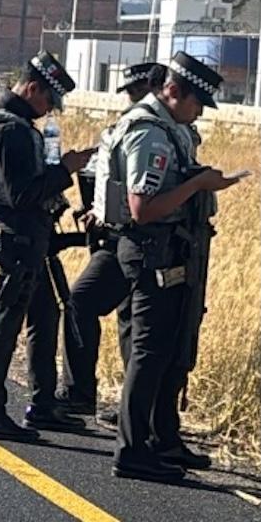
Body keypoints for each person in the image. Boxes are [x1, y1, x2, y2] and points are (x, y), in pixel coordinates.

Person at [102, 52, 242, 482]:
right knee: (148, 351)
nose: (199, 112)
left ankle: (162, 439)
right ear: (173, 92)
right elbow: (142, 208)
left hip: (168, 250)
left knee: (166, 347)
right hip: (149, 250)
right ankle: (132, 450)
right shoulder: (149, 133)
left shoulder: (171, 127)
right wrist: (199, 184)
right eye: (196, 103)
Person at [0, 51, 95, 442]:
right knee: (5, 325)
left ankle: (42, 404)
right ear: (33, 88)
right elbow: (21, 195)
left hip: (27, 238)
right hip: (17, 237)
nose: (50, 109)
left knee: (45, 317)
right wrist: (66, 170)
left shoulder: (13, 123)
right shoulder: (11, 131)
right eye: (49, 100)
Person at [54, 62, 166, 418]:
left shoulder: (152, 131)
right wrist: (98, 213)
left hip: (136, 239)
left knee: (100, 310)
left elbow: (144, 192)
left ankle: (100, 400)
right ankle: (112, 401)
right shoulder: (140, 127)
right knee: (122, 317)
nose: (131, 100)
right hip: (122, 236)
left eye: (136, 92)